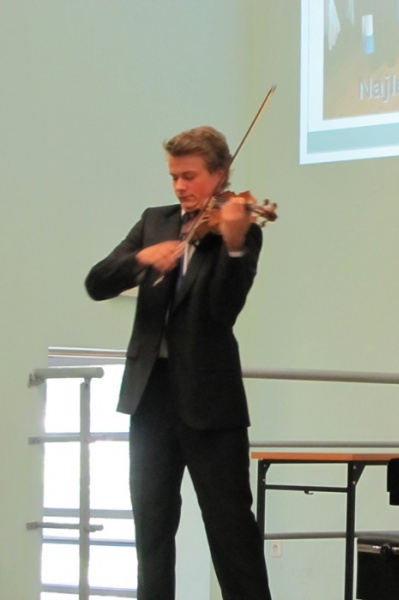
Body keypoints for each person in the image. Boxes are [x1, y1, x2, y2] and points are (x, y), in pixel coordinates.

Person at [85, 126, 272, 600]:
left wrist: (232, 245)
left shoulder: (240, 229)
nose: (180, 187)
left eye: (189, 176)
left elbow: (222, 311)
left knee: (231, 529)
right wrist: (142, 259)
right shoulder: (155, 222)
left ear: (220, 174)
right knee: (151, 529)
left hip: (210, 401)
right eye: (174, 177)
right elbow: (96, 282)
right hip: (150, 398)